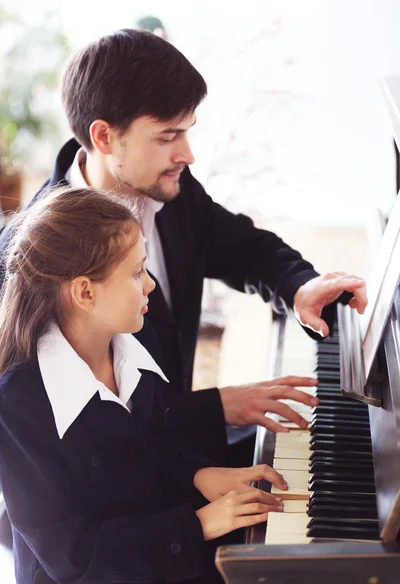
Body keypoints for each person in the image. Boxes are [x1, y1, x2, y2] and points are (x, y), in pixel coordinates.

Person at [0, 29, 367, 468]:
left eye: (187, 132)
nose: (187, 154)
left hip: (176, 446)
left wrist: (299, 287)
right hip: (119, 497)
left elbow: (242, 247)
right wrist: (218, 407)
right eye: (167, 136)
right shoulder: (32, 263)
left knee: (331, 452)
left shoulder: (165, 185)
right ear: (103, 138)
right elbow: (78, 442)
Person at [0, 187, 288, 584]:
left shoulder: (135, 334)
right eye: (137, 273)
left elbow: (158, 442)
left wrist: (201, 475)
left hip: (155, 549)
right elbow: (70, 556)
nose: (151, 285)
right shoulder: (17, 405)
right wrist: (201, 524)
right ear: (85, 293)